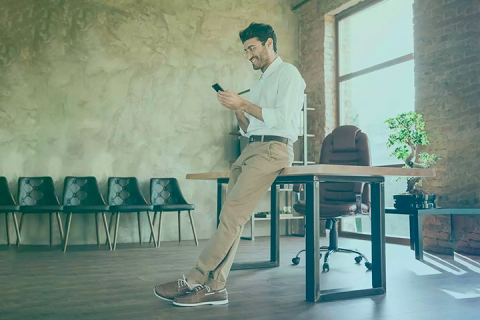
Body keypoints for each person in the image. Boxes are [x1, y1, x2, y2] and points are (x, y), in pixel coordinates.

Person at [154, 22, 306, 307]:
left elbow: (284, 120)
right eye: (246, 50)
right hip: (252, 147)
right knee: (231, 219)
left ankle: (194, 279)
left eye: (252, 48)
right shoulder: (261, 82)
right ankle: (216, 287)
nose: (249, 55)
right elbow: (249, 128)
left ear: (269, 43)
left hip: (273, 149)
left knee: (232, 216)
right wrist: (238, 108)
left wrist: (244, 104)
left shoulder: (289, 74)